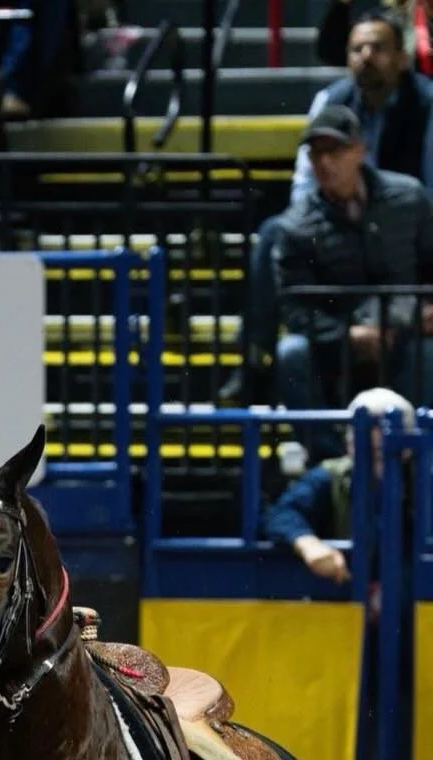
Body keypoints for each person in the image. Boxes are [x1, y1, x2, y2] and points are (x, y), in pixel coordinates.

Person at [231, 9, 433, 405]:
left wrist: (387, 205)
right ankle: (254, 357)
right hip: (336, 223)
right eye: (357, 48)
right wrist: (324, 215)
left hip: (403, 214)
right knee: (277, 230)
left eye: (377, 47)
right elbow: (305, 183)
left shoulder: (426, 103)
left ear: (402, 57)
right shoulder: (331, 100)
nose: (366, 56)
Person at [274, 104, 433, 453]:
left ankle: (422, 460)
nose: (324, 163)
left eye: (335, 150)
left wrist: (428, 307)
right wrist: (347, 335)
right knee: (291, 354)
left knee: (429, 353)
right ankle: (331, 464)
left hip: (405, 334)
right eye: (316, 153)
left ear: (360, 150)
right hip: (337, 346)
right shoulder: (295, 226)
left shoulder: (408, 197)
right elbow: (295, 309)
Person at [262, 386, 414, 582]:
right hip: (351, 591)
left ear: (409, 448)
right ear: (349, 443)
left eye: (381, 453)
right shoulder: (332, 474)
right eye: (361, 447)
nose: (372, 463)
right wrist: (308, 544)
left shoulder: (423, 479)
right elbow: (280, 513)